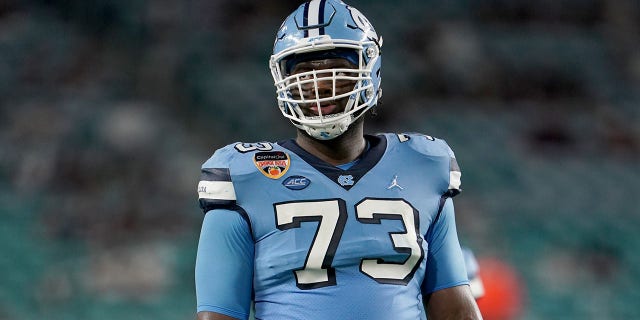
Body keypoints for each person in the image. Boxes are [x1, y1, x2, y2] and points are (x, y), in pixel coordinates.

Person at [194, 0, 482, 319]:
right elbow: (218, 315)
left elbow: (455, 308)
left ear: (369, 69)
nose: (319, 86)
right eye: (303, 73)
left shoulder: (424, 166)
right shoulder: (245, 176)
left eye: (335, 70)